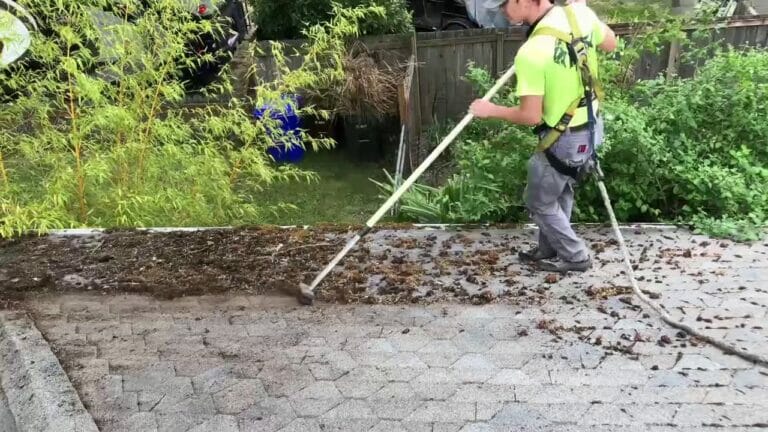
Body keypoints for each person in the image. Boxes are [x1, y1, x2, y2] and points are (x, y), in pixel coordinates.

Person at [469, 0, 617, 273]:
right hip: (592, 129)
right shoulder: (578, 15)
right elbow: (611, 44)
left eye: (503, 6)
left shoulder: (532, 52)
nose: (500, 12)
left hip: (564, 138)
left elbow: (530, 116)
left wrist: (490, 110)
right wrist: (586, 13)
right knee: (560, 189)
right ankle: (550, 248)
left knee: (539, 201)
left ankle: (575, 257)